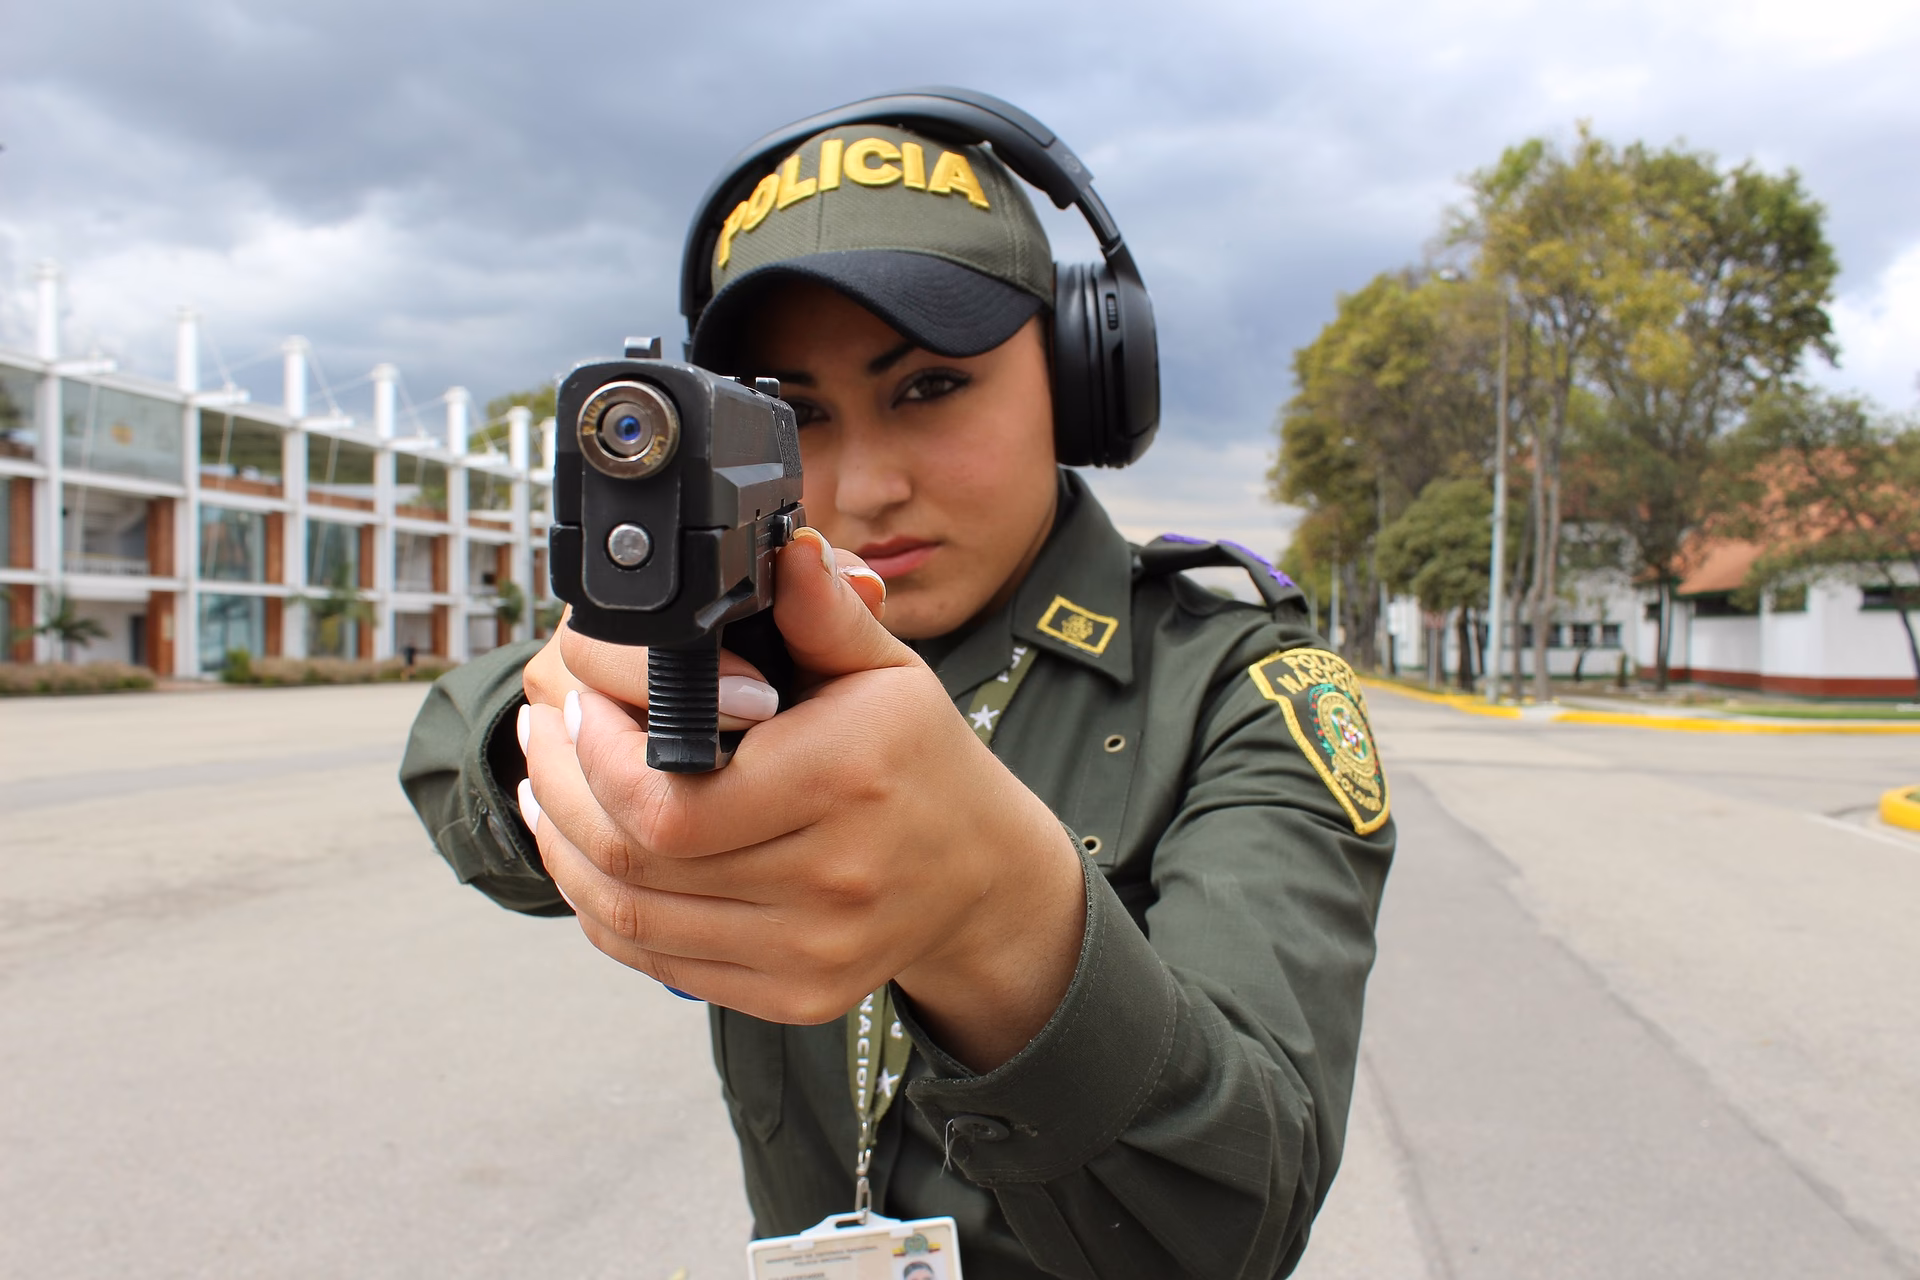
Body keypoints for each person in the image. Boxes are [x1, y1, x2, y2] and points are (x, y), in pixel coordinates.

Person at [400, 90, 1394, 1280]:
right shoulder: (743, 649)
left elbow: (1241, 1218)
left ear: (1082, 379)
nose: (865, 484)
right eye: (797, 412)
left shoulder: (1244, 685)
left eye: (929, 386)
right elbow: (452, 744)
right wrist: (567, 725)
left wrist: (1000, 919)